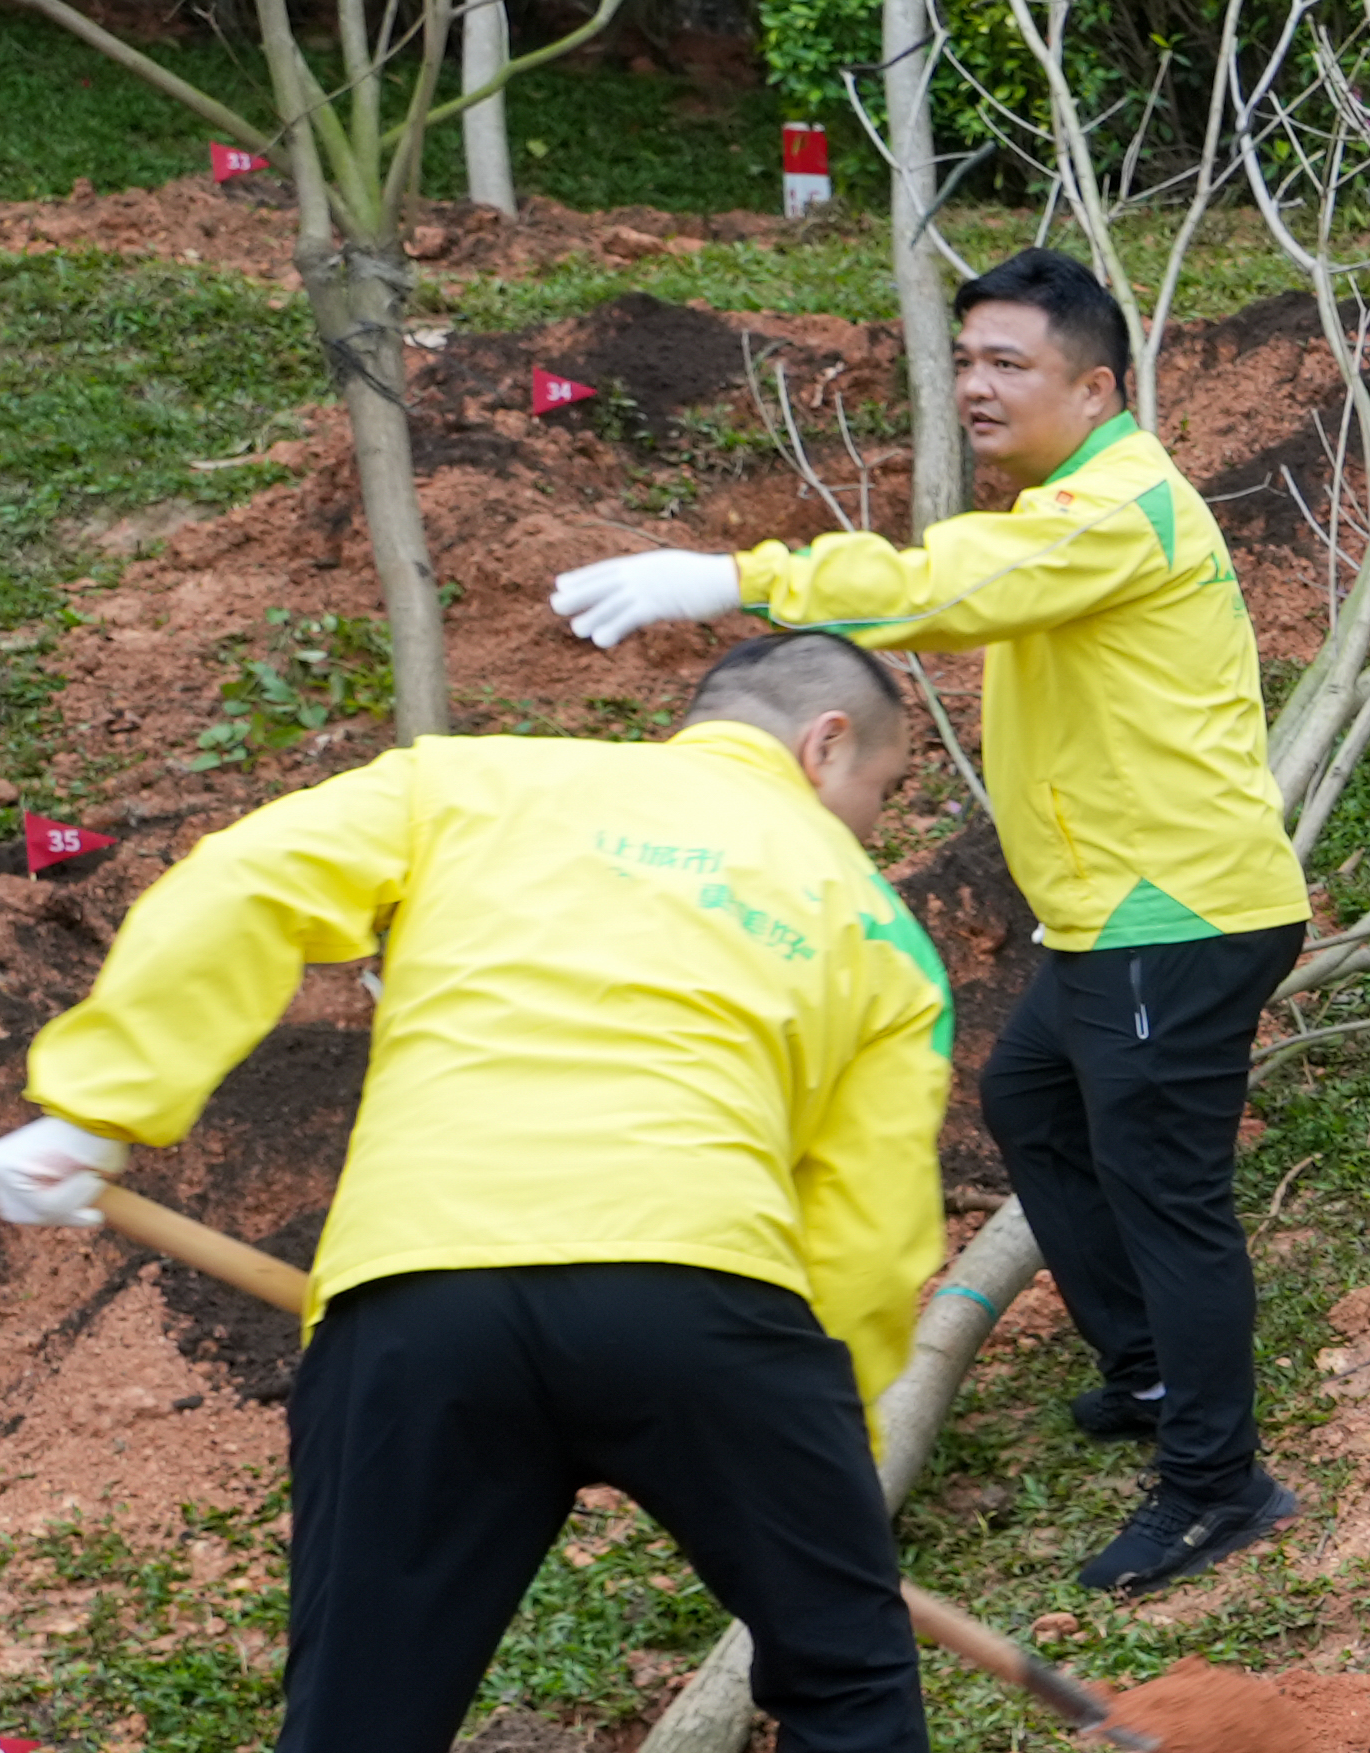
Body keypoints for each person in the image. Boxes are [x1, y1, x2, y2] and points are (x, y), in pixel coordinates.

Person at [0, 638, 1073, 1753]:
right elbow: (865, 1225)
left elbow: (242, 883)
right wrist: (818, 1447)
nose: (872, 818)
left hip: (425, 1294)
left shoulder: (477, 780)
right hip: (710, 1296)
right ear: (826, 742)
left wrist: (99, 1104)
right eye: (882, 788)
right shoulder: (866, 921)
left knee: (354, 1730)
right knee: (842, 1665)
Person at [557, 247, 1316, 1595]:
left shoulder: (1115, 509)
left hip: (1172, 915)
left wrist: (737, 575)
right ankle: (1146, 1369)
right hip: (1114, 913)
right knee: (1034, 1105)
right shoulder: (1076, 500)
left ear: (1096, 386)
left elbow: (943, 589)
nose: (976, 385)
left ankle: (1218, 1481)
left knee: (1170, 1197)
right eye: (966, 360)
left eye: (1008, 364)